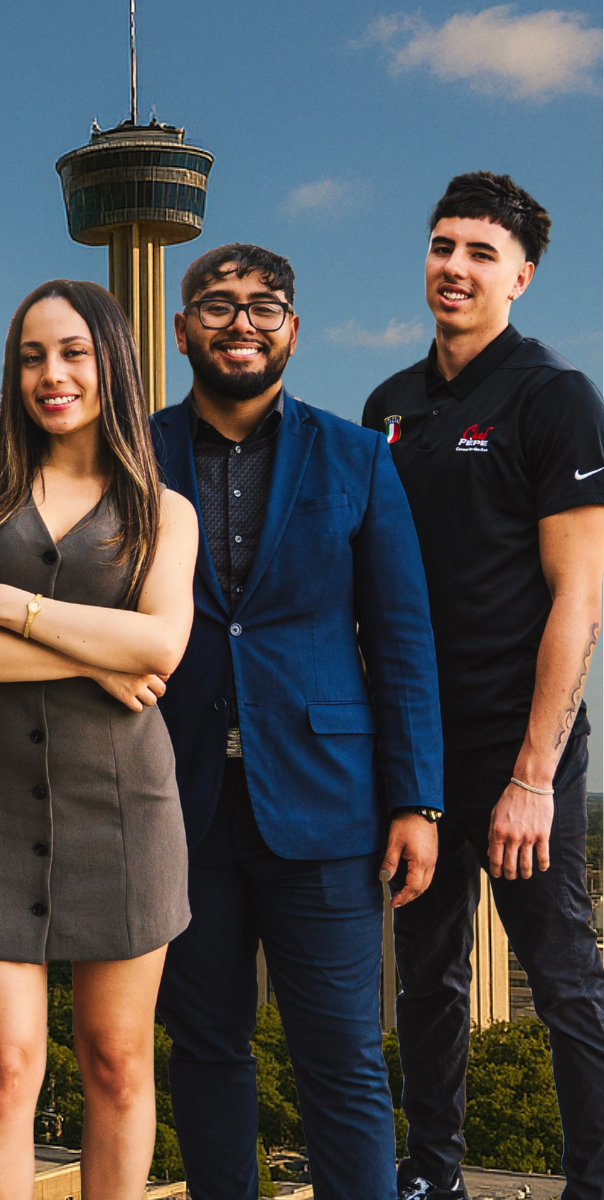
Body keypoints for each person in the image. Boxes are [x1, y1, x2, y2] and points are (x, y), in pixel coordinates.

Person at [149, 244, 444, 1198]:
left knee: (344, 1059)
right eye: (219, 304)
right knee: (204, 1049)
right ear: (181, 325)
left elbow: (402, 638)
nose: (242, 322)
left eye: (265, 306)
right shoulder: (130, 450)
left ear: (294, 330)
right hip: (175, 800)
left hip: (327, 806)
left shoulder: (356, 455)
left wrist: (418, 802)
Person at [0, 279, 198, 1199]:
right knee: (0, 1073)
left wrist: (2, 605)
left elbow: (159, 647)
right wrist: (93, 658)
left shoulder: (165, 510)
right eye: (32, 356)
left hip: (125, 813)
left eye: (73, 352)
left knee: (116, 1062)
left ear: (112, 362)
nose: (51, 374)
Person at [363, 172, 604, 1200]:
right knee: (426, 976)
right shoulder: (390, 408)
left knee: (560, 982)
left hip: (520, 749)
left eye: (477, 253)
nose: (452, 268)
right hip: (416, 752)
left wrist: (536, 777)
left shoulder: (553, 398)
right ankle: (435, 1172)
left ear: (521, 277)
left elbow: (578, 601)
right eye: (440, 246)